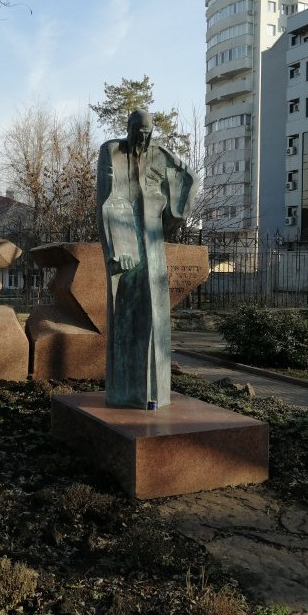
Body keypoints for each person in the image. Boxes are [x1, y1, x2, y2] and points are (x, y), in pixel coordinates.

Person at [97, 109, 198, 409]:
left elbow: (188, 177)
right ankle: (127, 390)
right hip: (125, 239)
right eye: (137, 132)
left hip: (152, 238)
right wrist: (120, 244)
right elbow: (108, 196)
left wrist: (171, 215)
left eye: (147, 133)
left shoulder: (159, 154)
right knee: (126, 310)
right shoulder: (111, 151)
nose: (142, 138)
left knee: (156, 311)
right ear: (128, 128)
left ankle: (155, 392)